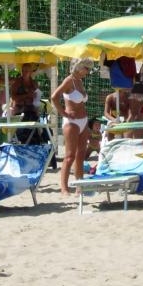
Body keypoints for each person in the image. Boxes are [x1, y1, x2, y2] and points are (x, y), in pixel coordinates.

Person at [51, 58, 93, 196]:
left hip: (83, 121)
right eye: (87, 68)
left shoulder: (79, 81)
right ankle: (64, 188)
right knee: (69, 156)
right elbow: (54, 97)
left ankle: (79, 187)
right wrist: (63, 113)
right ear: (79, 67)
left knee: (81, 155)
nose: (88, 71)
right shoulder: (69, 81)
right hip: (71, 122)